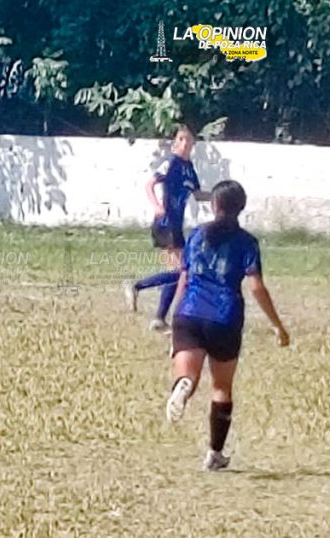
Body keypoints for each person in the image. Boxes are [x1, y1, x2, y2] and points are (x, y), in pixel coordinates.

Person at [164, 180, 289, 471]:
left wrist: (174, 318)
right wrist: (277, 325)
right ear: (240, 207)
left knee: (189, 377)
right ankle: (215, 454)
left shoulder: (197, 235)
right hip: (225, 317)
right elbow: (256, 286)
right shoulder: (247, 242)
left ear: (214, 205)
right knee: (221, 387)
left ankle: (184, 386)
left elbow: (184, 277)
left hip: (189, 313)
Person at [124, 124, 211, 333]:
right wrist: (157, 206)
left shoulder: (189, 169)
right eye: (180, 139)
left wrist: (220, 195)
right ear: (174, 144)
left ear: (193, 143)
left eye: (188, 139)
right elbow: (149, 184)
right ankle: (143, 295)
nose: (184, 143)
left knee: (180, 272)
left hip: (176, 225)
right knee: (180, 272)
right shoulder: (170, 163)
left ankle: (157, 313)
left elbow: (198, 195)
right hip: (165, 223)